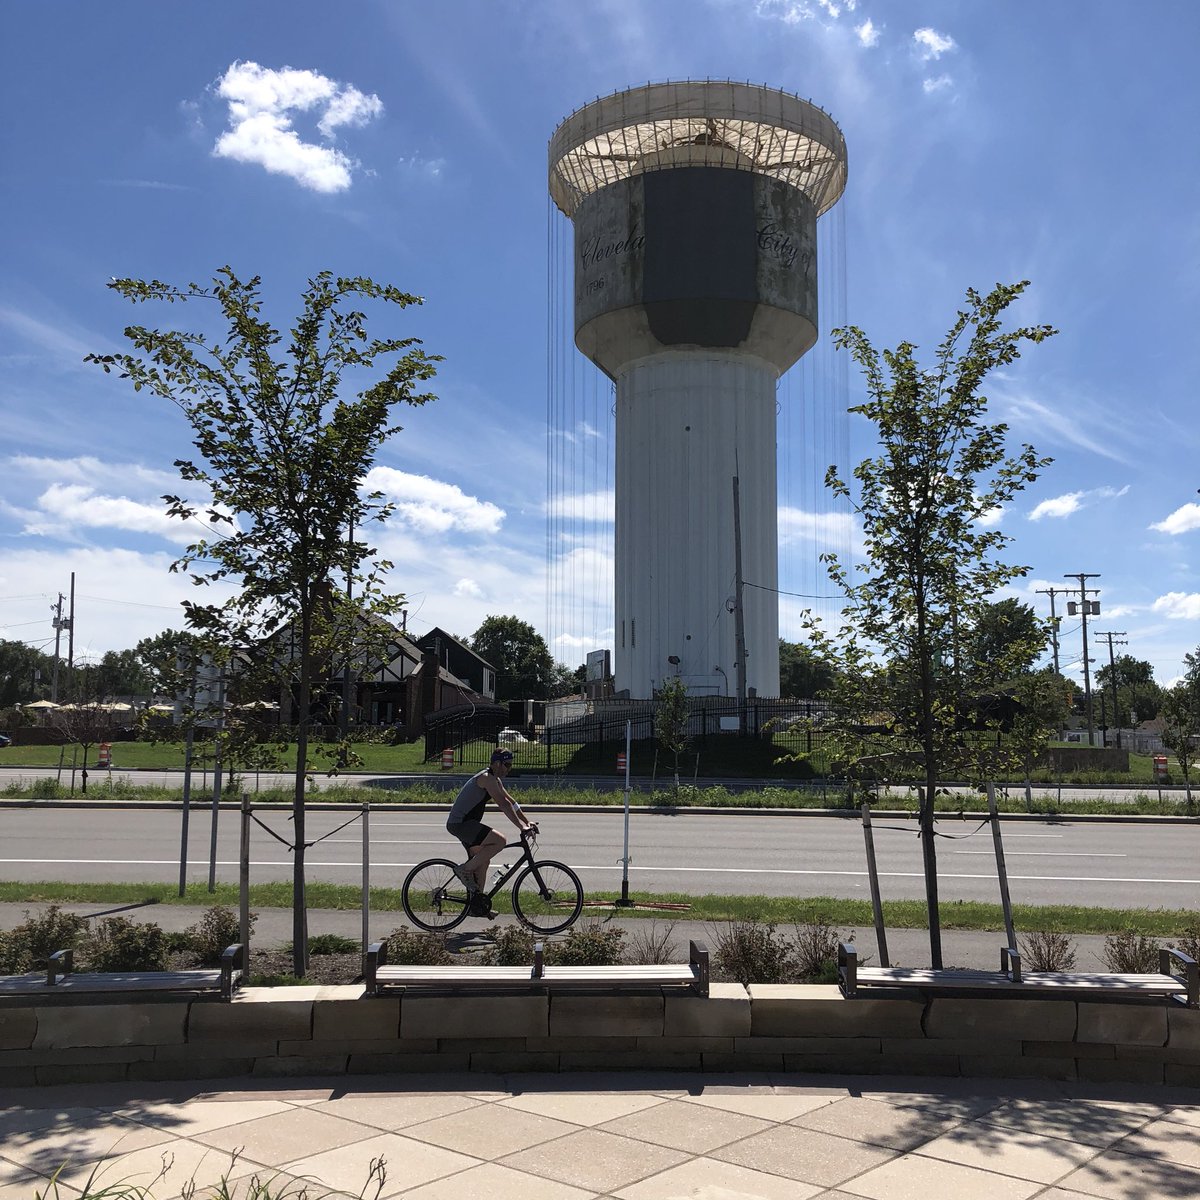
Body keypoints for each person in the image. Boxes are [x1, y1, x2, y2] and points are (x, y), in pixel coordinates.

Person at [446, 748, 537, 916]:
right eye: (507, 765)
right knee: (500, 841)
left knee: (483, 861)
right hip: (460, 824)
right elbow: (503, 804)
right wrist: (521, 827)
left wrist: (527, 822)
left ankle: (477, 906)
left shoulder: (495, 780)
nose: (509, 769)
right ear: (496, 763)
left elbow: (511, 802)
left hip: (467, 823)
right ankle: (464, 870)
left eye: (510, 765)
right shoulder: (486, 778)